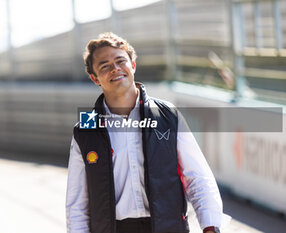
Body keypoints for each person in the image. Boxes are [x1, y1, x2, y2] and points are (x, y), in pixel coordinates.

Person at [66, 32, 230, 233]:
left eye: (120, 61)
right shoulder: (85, 127)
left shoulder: (167, 115)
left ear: (133, 65)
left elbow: (197, 176)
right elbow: (77, 201)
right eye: (105, 66)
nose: (115, 69)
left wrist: (211, 225)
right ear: (95, 78)